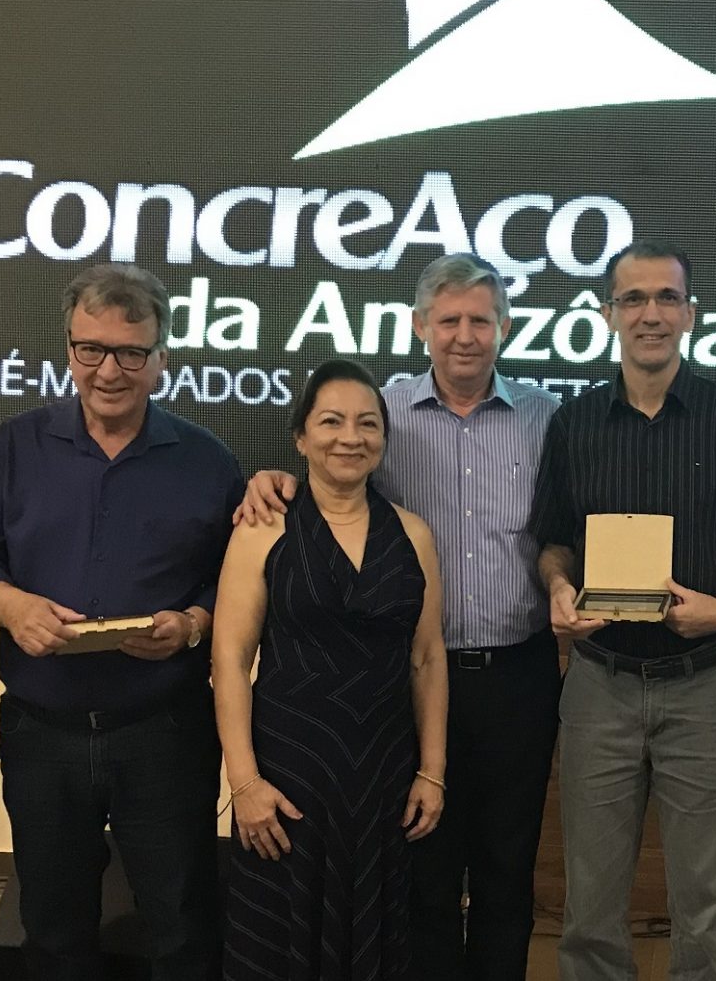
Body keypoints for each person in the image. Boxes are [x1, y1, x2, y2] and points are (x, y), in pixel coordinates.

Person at [236, 254, 561, 981]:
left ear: (506, 327)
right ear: (420, 327)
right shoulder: (380, 413)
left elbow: (567, 525)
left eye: (481, 320)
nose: (465, 335)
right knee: (423, 869)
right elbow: (330, 475)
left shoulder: (548, 418)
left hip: (518, 674)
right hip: (407, 684)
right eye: (449, 320)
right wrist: (271, 478)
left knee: (509, 868)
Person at [0, 263, 242, 980]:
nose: (109, 371)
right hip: (42, 732)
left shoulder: (207, 460)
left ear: (161, 359)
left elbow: (233, 580)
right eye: (92, 349)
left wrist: (193, 622)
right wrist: (10, 605)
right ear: (69, 350)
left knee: (181, 926)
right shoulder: (15, 446)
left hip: (163, 732)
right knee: (53, 931)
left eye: (131, 353)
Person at [533, 240, 716, 981]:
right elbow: (554, 544)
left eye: (667, 298)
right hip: (599, 683)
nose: (651, 313)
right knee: (590, 902)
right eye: (634, 299)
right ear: (608, 313)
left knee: (705, 903)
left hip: (706, 682)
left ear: (691, 313)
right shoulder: (573, 422)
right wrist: (558, 587)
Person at [214, 357, 448, 978]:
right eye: (331, 421)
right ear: (301, 437)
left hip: (383, 775)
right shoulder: (262, 529)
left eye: (368, 423)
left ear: (384, 439)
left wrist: (433, 772)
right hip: (288, 780)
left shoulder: (414, 535)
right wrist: (244, 783)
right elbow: (230, 660)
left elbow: (426, 658)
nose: (351, 437)